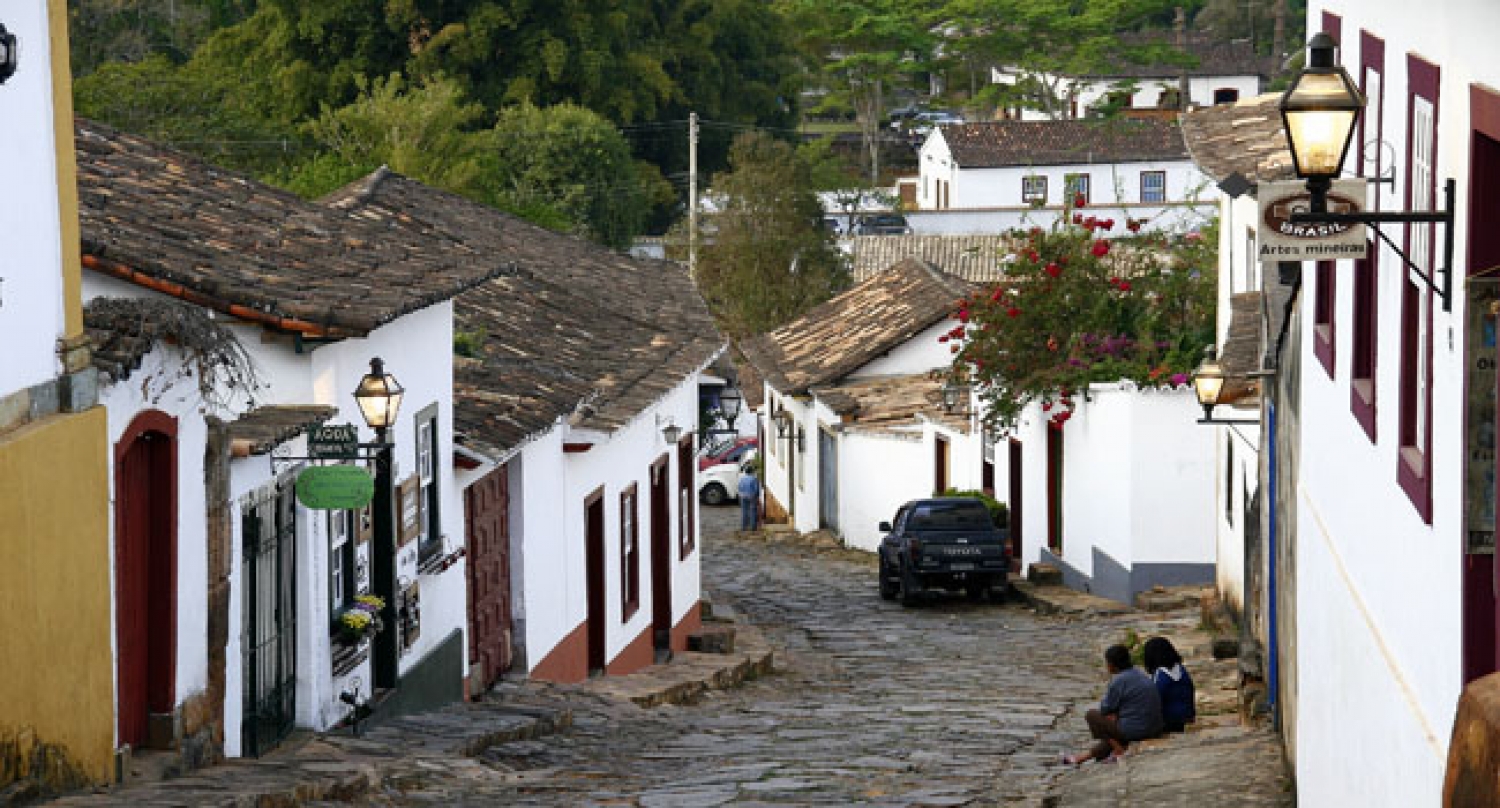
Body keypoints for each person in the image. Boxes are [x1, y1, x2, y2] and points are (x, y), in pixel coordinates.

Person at [1063, 644, 1163, 765]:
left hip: (1136, 730)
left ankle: (1118, 750)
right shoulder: (1140, 674)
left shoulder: (1119, 681)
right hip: (1155, 727)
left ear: (1111, 665)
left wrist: (1114, 715)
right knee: (1112, 737)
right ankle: (1081, 758)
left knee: (1092, 716)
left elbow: (1105, 709)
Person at [1143, 636, 1196, 733]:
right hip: (1187, 716)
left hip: (1168, 721)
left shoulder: (1160, 675)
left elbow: (1154, 700)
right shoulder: (1182, 670)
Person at [737, 465, 761, 531]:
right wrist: (757, 497)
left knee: (744, 511)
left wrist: (741, 494)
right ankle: (753, 527)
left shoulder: (742, 479)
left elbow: (739, 488)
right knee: (753, 511)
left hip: (743, 496)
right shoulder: (754, 479)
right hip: (751, 496)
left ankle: (744, 527)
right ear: (752, 471)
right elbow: (756, 489)